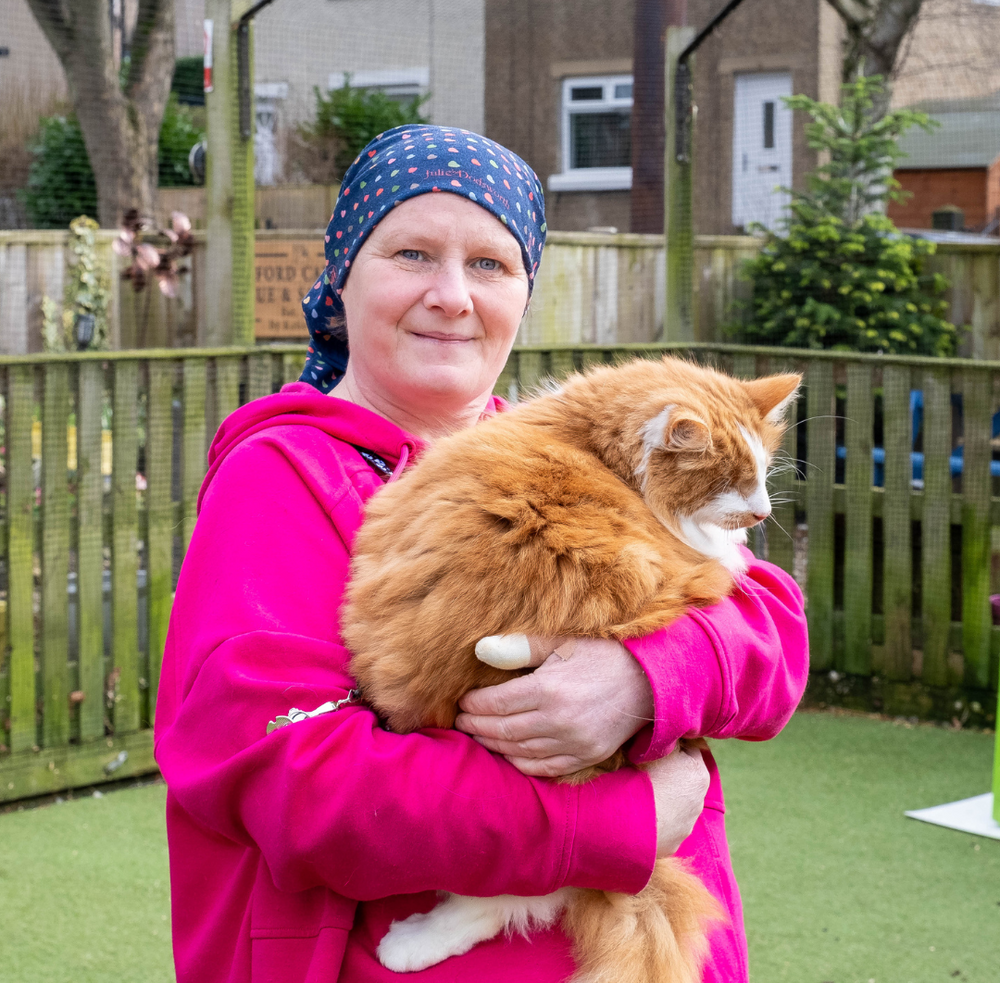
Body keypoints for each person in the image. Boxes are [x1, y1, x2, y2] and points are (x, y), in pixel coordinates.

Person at [154, 125, 808, 983]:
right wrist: (616, 821)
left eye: (491, 265)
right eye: (413, 253)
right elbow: (296, 782)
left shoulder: (577, 451)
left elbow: (773, 631)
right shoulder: (279, 479)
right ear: (342, 277)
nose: (452, 295)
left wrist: (647, 676)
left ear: (524, 295)